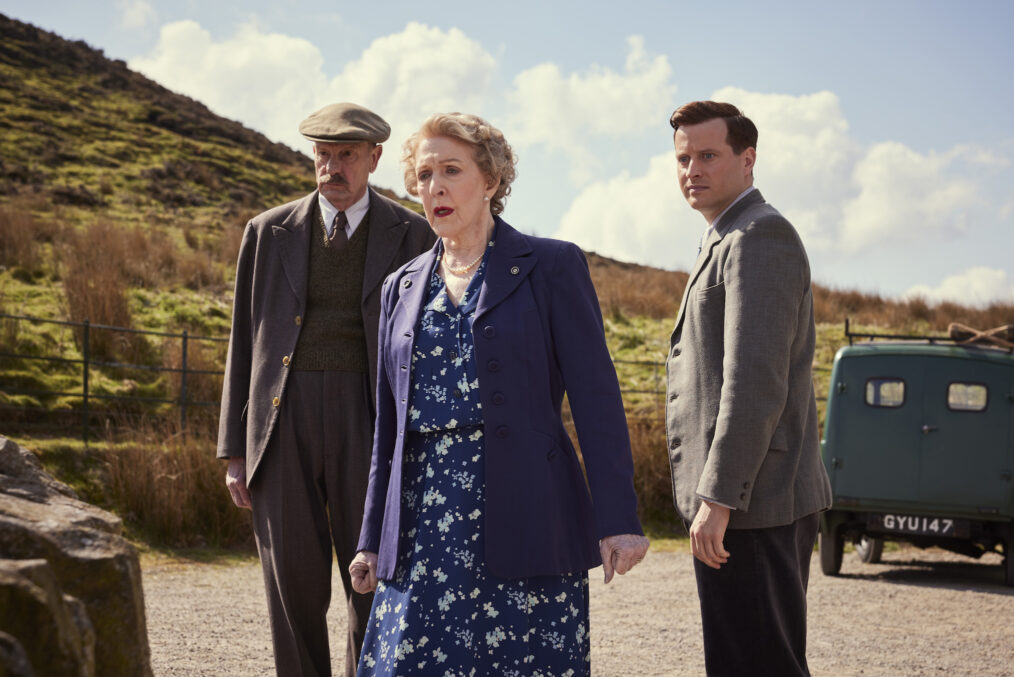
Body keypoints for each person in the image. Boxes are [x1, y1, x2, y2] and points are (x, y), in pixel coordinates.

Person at [348, 112, 649, 675]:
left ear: (490, 180)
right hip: (423, 521)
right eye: (424, 173)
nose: (433, 186)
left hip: (529, 510)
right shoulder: (401, 286)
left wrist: (619, 519)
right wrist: (371, 538)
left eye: (451, 171)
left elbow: (596, 400)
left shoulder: (553, 266)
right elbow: (387, 428)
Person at [216, 102, 435, 677]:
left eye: (346, 156)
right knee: (292, 580)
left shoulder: (413, 233)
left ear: (374, 159)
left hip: (373, 418)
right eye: (323, 155)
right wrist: (234, 450)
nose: (332, 167)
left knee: (375, 575)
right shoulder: (267, 232)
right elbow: (244, 340)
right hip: (281, 420)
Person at [664, 100, 833, 676]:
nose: (692, 169)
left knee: (761, 665)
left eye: (709, 155)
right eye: (684, 158)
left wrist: (718, 498)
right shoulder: (727, 234)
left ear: (748, 158)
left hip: (754, 503)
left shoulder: (760, 236)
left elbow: (754, 382)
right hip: (744, 501)